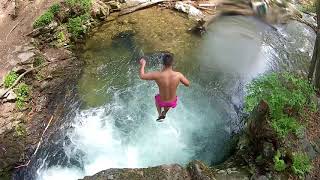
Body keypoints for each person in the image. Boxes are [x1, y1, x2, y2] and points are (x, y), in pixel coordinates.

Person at [139, 52, 190, 122]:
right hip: (172, 102)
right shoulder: (178, 75)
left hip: (161, 101)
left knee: (157, 98)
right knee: (168, 103)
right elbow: (187, 84)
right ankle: (165, 113)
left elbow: (142, 76)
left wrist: (143, 64)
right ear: (172, 63)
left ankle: (160, 114)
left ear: (162, 63)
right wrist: (180, 79)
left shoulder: (157, 75)